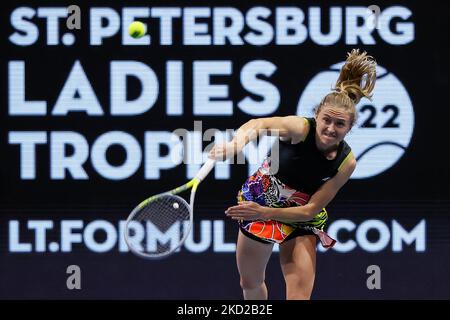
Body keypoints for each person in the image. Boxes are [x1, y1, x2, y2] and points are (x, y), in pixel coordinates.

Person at [208, 49, 377, 300]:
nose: (331, 129)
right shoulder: (299, 128)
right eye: (326, 120)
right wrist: (235, 145)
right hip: (263, 197)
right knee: (250, 283)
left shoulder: (347, 163)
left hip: (299, 215)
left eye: (339, 124)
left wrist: (264, 214)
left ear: (349, 128)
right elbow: (259, 124)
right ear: (316, 116)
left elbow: (310, 210)